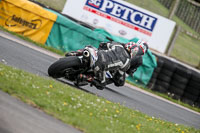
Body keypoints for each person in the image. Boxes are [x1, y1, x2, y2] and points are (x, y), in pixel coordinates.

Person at [65, 39, 148, 90]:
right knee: (102, 85)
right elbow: (121, 75)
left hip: (98, 55)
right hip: (103, 67)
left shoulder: (118, 45)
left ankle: (75, 53)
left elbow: (102, 44)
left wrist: (102, 51)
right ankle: (85, 77)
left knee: (90, 48)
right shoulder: (128, 61)